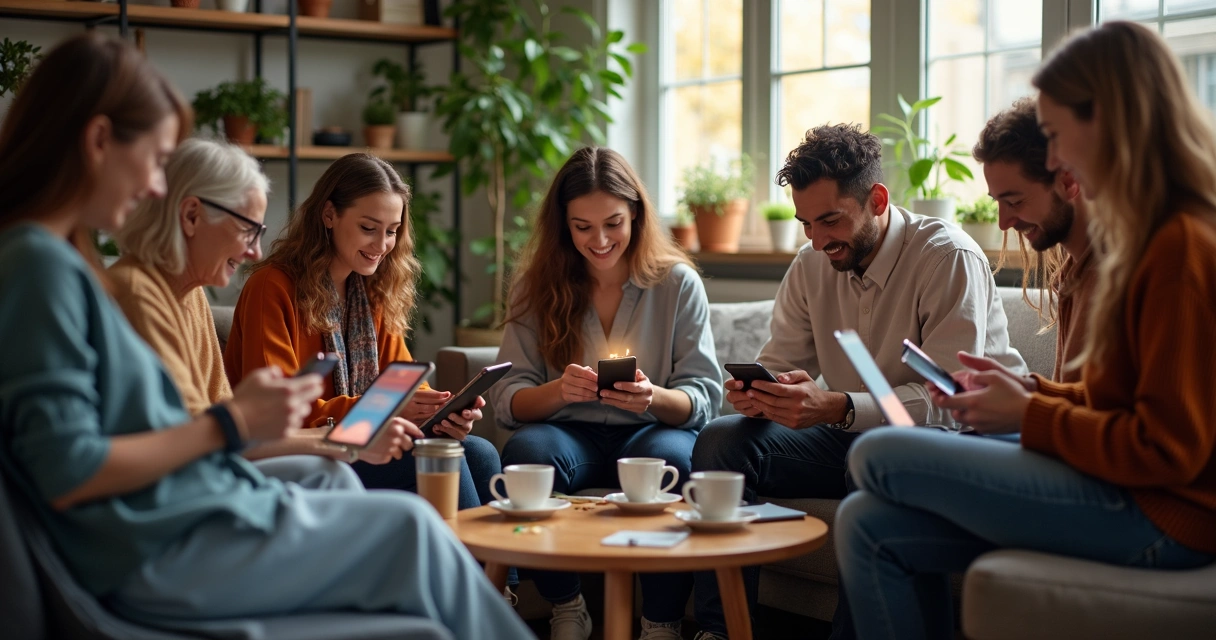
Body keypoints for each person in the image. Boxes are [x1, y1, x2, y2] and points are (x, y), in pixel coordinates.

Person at [0, 33, 533, 640]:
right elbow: (71, 467)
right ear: (98, 142)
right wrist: (235, 424)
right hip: (167, 544)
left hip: (191, 514)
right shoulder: (40, 267)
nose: (156, 188)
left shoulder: (61, 265)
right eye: (153, 160)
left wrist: (370, 423)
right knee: (412, 530)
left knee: (422, 545)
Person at [837, 21, 1216, 640]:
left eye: (1060, 135)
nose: (1060, 157)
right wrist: (1031, 396)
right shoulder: (1136, 245)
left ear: (1111, 121)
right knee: (865, 525)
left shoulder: (1179, 248)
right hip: (1129, 492)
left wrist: (1030, 414)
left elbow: (1169, 449)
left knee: (879, 451)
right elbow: (1114, 403)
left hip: (1166, 517)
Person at [688, 123, 1027, 640]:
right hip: (848, 432)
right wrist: (762, 394)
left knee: (870, 459)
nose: (818, 239)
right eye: (805, 223)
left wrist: (837, 406)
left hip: (955, 437)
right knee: (720, 441)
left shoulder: (946, 256)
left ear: (877, 199)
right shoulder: (810, 265)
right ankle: (723, 631)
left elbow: (949, 401)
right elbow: (779, 358)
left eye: (830, 220)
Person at [490, 146, 722, 640]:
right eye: (582, 227)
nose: (599, 240)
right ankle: (567, 604)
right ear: (563, 225)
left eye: (613, 223)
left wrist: (653, 397)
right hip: (566, 434)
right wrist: (558, 391)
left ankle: (660, 622)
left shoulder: (678, 284)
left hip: (652, 430)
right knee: (527, 454)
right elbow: (509, 398)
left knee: (674, 462)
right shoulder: (536, 286)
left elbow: (704, 396)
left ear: (636, 214)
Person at [224, 153, 501, 508]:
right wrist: (386, 409)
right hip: (299, 453)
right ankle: (466, 564)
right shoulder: (272, 286)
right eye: (368, 228)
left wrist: (441, 413)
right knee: (443, 459)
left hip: (361, 440)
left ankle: (492, 565)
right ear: (329, 215)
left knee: (479, 452)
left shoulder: (372, 291)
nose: (382, 245)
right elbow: (280, 413)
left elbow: (404, 384)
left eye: (392, 231)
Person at [110, 138, 405, 465]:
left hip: (231, 464)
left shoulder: (190, 294)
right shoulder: (139, 293)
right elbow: (212, 434)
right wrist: (348, 436)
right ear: (191, 215)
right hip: (209, 476)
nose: (255, 252)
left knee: (470, 452)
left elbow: (227, 426)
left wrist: (420, 409)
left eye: (392, 231)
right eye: (246, 230)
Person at [973, 97, 1095, 382]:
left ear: (1068, 182)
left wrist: (1028, 401)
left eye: (1014, 201)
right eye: (997, 204)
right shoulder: (1071, 276)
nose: (1004, 223)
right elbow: (1079, 404)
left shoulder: (1120, 274)